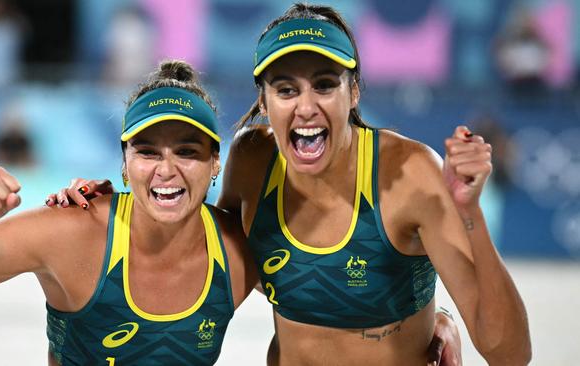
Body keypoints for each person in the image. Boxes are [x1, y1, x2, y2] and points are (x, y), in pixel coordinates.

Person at [51, 4, 531, 365]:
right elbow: (208, 259)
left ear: (354, 91)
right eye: (286, 89)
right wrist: (112, 211)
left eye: (324, 84)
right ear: (264, 100)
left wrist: (469, 215)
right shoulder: (252, 160)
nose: (305, 107)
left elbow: (511, 355)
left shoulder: (407, 174)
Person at [0, 60, 258, 365]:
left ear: (215, 161)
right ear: (125, 165)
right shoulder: (74, 233)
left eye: (187, 152)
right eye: (147, 152)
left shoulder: (237, 252)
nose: (167, 170)